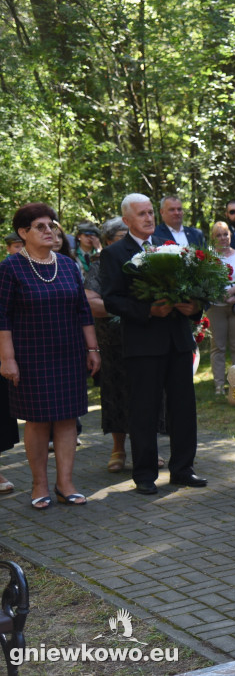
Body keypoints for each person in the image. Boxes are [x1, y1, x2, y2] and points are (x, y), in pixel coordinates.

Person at [100, 193, 207, 495]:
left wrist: (193, 307)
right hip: (143, 343)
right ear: (127, 220)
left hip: (178, 341)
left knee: (184, 409)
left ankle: (183, 469)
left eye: (150, 213)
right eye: (142, 214)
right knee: (144, 411)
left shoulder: (171, 247)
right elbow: (112, 299)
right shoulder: (115, 253)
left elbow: (195, 288)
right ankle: (145, 474)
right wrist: (148, 310)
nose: (149, 218)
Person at [0, 203, 101, 509]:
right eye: (41, 226)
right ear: (23, 232)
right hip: (30, 355)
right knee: (38, 421)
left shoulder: (69, 265)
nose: (49, 231)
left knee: (68, 419)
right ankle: (39, 484)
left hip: (69, 352)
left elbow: (84, 311)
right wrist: (7, 358)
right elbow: (1, 318)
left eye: (52, 225)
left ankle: (65, 484)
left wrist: (93, 349)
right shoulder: (10, 268)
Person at [84, 218, 131, 472]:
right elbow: (90, 301)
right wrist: (131, 310)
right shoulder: (100, 264)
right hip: (112, 341)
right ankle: (118, 449)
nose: (126, 242)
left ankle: (146, 448)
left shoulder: (142, 259)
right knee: (115, 394)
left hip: (143, 338)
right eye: (121, 237)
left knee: (147, 393)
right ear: (108, 241)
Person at [208, 221, 235, 395]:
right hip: (215, 306)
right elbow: (205, 280)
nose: (222, 238)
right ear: (213, 238)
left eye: (225, 234)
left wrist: (233, 292)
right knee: (217, 346)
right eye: (218, 235)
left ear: (230, 236)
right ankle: (219, 386)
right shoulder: (208, 257)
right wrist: (221, 294)